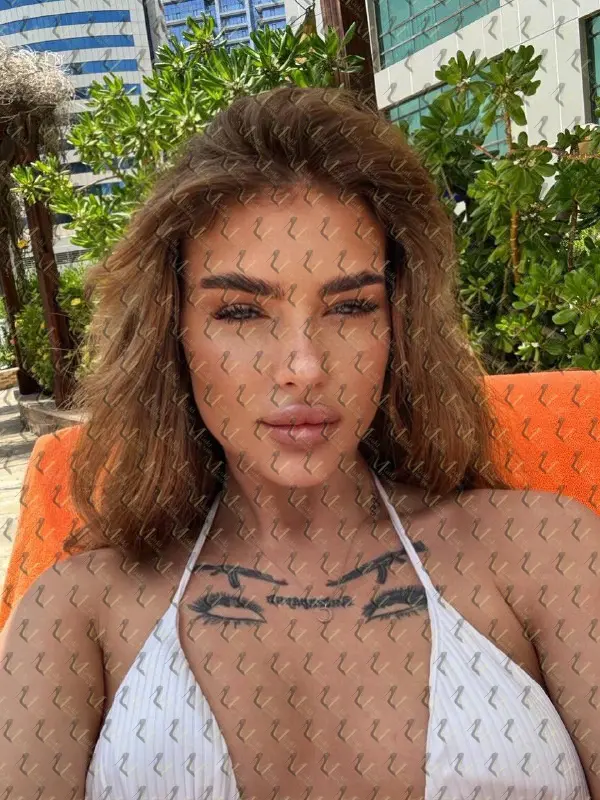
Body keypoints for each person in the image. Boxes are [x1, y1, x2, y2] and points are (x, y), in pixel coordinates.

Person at [1, 85, 599, 800]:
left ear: (399, 325)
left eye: (349, 307)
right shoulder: (76, 611)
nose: (305, 367)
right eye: (241, 312)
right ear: (172, 333)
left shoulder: (545, 551)